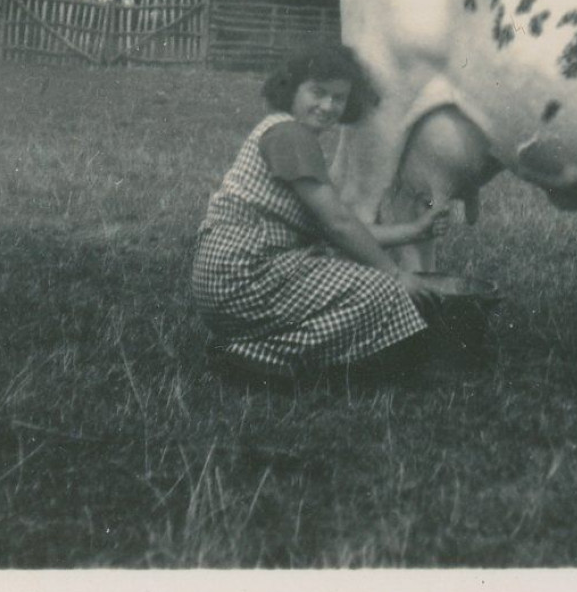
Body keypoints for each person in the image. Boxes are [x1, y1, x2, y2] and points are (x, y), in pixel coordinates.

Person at [193, 43, 456, 387]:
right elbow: (339, 225)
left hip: (232, 276)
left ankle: (248, 345)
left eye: (339, 98)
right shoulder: (290, 135)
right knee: (380, 291)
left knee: (352, 273)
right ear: (291, 90)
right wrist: (394, 274)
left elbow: (341, 225)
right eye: (318, 93)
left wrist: (415, 230)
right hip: (242, 274)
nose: (328, 106)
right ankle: (257, 360)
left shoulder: (285, 131)